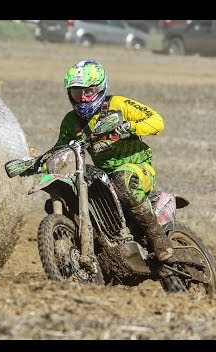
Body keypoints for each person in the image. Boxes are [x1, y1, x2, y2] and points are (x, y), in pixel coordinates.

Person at [33, 59, 173, 263]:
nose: (82, 99)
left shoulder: (118, 105)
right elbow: (60, 149)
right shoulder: (71, 121)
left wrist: (128, 127)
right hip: (105, 175)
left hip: (138, 168)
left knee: (123, 179)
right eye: (76, 93)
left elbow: (157, 121)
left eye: (87, 92)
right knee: (74, 188)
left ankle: (157, 238)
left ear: (100, 88)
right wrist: (35, 162)